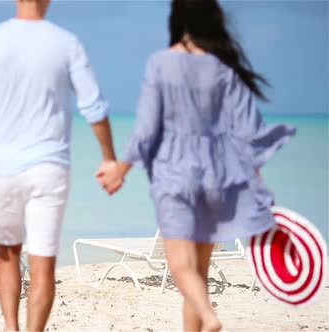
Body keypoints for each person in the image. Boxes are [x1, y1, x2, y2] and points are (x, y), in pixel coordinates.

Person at [96, 1, 295, 331]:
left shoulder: (160, 63)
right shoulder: (224, 67)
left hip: (175, 176)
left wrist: (121, 167)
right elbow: (248, 133)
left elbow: (146, 130)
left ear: (177, 19)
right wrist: (257, 184)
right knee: (199, 274)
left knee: (180, 268)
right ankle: (203, 315)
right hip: (218, 178)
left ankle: (209, 316)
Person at [0, 0, 117, 330]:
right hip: (49, 168)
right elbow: (93, 107)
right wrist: (109, 157)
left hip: (0, 169)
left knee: (8, 252)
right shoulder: (66, 42)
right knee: (43, 265)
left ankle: (11, 327)